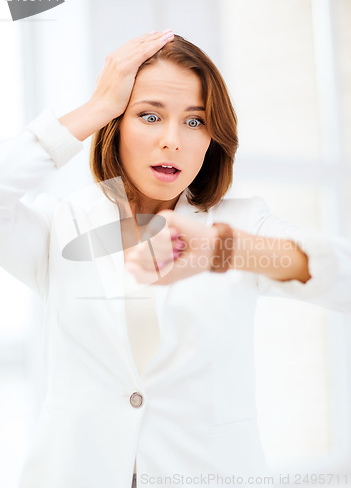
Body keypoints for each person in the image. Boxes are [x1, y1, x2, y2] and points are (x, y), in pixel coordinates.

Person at [0, 29, 350, 488]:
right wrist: (96, 107)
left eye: (194, 121)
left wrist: (224, 248)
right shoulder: (60, 227)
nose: (173, 141)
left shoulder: (241, 224)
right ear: (117, 123)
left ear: (212, 138)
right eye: (148, 116)